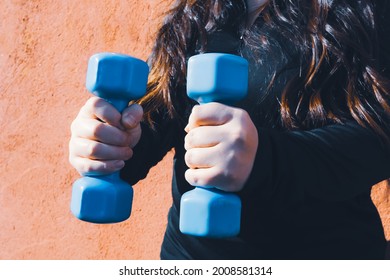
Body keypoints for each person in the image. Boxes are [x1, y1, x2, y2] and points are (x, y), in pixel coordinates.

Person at [69, 0, 390, 259]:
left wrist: (265, 157)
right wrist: (112, 142)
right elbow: (161, 120)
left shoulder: (364, 9)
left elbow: (380, 138)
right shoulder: (196, 13)